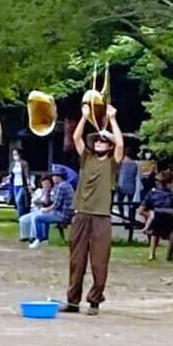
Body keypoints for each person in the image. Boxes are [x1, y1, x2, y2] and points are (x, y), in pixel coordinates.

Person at [60, 103, 124, 316]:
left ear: (109, 146)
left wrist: (112, 119)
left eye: (104, 141)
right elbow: (77, 138)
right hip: (82, 214)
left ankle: (95, 301)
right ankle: (72, 301)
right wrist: (84, 117)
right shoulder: (86, 159)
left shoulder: (112, 164)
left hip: (102, 217)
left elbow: (121, 145)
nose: (99, 142)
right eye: (96, 140)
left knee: (99, 262)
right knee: (76, 261)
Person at [139, 171, 173, 261]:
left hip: (156, 222)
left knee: (155, 230)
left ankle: (152, 254)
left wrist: (149, 216)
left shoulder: (152, 194)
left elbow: (140, 210)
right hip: (169, 223)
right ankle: (170, 255)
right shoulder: (172, 195)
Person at [29, 171, 74, 248]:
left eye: (53, 176)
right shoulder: (68, 185)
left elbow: (56, 205)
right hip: (69, 213)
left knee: (38, 218)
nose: (52, 178)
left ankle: (39, 239)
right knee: (44, 216)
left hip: (61, 215)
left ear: (58, 177)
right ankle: (45, 239)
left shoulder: (61, 187)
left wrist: (46, 209)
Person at [18, 175, 53, 242]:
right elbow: (34, 201)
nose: (46, 185)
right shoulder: (39, 190)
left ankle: (33, 236)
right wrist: (39, 200)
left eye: (47, 183)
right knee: (23, 219)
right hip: (35, 210)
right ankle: (25, 236)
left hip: (45, 211)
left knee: (34, 218)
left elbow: (46, 202)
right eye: (44, 183)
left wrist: (45, 195)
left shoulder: (52, 192)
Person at [7, 149, 31, 217]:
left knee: (19, 201)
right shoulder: (13, 164)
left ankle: (21, 216)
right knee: (17, 202)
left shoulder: (24, 163)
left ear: (20, 154)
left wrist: (28, 184)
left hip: (22, 185)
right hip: (15, 185)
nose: (14, 156)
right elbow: (11, 174)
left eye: (16, 154)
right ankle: (20, 215)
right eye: (13, 154)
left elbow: (27, 175)